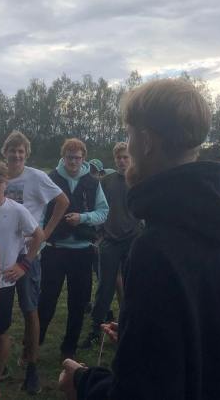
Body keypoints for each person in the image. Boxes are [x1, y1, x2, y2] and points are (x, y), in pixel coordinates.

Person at [60, 78, 220, 400]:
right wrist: (136, 335)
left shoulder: (155, 249)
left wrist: (83, 382)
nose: (128, 148)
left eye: (129, 135)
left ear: (146, 141)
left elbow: (139, 391)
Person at [0, 130, 69, 394]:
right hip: (1, 254)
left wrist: (45, 234)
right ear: (5, 152)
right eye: (12, 150)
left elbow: (63, 201)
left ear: (26, 154)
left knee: (30, 310)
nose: (16, 155)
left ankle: (32, 366)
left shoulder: (36, 177)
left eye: (21, 151)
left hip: (28, 255)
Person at [0, 158, 44, 400]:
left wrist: (24, 265)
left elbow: (38, 235)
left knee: (1, 332)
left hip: (3, 282)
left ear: (7, 183)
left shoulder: (16, 210)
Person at [38, 138, 109, 361]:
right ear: (63, 157)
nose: (73, 162)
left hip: (82, 250)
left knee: (78, 303)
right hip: (54, 249)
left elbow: (103, 212)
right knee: (47, 300)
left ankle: (69, 348)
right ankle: (34, 342)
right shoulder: (51, 178)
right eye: (70, 157)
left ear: (83, 158)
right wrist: (40, 241)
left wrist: (83, 218)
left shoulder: (92, 182)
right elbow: (41, 211)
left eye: (77, 158)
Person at [81, 142, 140, 349]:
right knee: (105, 288)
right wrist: (99, 233)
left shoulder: (139, 180)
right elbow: (97, 208)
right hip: (110, 241)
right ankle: (96, 329)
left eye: (126, 157)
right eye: (119, 158)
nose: (122, 161)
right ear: (115, 160)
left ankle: (131, 327)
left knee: (133, 287)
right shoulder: (106, 181)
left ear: (131, 158)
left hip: (133, 241)